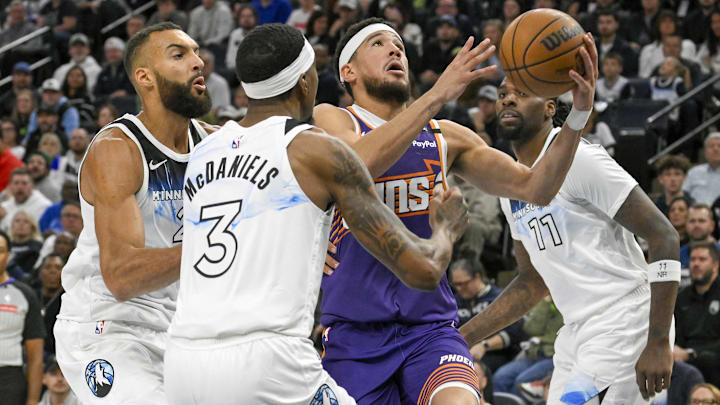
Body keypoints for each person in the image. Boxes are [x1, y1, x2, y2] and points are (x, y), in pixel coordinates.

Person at [164, 23, 469, 404]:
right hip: (269, 362)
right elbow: (422, 271)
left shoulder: (203, 151)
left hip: (181, 361)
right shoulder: (316, 150)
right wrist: (445, 230)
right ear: (306, 81)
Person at [313, 17, 598, 405]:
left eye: (398, 43)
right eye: (378, 43)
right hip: (354, 334)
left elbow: (536, 187)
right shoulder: (333, 120)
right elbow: (354, 166)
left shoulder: (445, 135)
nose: (395, 49)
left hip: (429, 330)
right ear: (348, 71)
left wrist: (579, 114)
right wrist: (437, 94)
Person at [460, 76, 681, 403]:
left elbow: (664, 235)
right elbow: (532, 281)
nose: (507, 99)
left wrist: (659, 341)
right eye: (503, 94)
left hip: (625, 320)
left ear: (550, 108)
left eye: (521, 93)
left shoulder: (580, 159)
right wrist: (461, 337)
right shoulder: (510, 187)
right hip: (576, 332)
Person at [53, 22, 216, 404]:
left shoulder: (214, 144)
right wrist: (216, 245)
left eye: (196, 51)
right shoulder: (117, 149)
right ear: (144, 77)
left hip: (183, 329)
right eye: (179, 55)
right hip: (108, 328)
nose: (197, 62)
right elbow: (122, 277)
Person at [450, 259, 525, 372]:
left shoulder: (499, 298)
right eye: (456, 284)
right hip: (462, 353)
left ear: (478, 277)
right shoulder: (454, 301)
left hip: (496, 354)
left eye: (463, 283)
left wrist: (484, 346)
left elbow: (514, 332)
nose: (459, 289)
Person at [0, 229, 45, 405]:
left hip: (9, 379)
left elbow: (35, 358)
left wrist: (33, 400)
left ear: (9, 256)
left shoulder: (24, 294)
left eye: (0, 250)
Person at [673, 242, 720, 387]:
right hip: (685, 361)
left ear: (716, 265)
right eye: (693, 259)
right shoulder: (681, 298)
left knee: (709, 360)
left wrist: (693, 353)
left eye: (702, 259)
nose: (696, 264)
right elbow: (677, 337)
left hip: (714, 359)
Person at [684, 133, 720, 206]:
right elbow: (684, 194)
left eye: (719, 146)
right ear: (705, 152)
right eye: (711, 146)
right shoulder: (694, 172)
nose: (715, 149)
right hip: (695, 215)